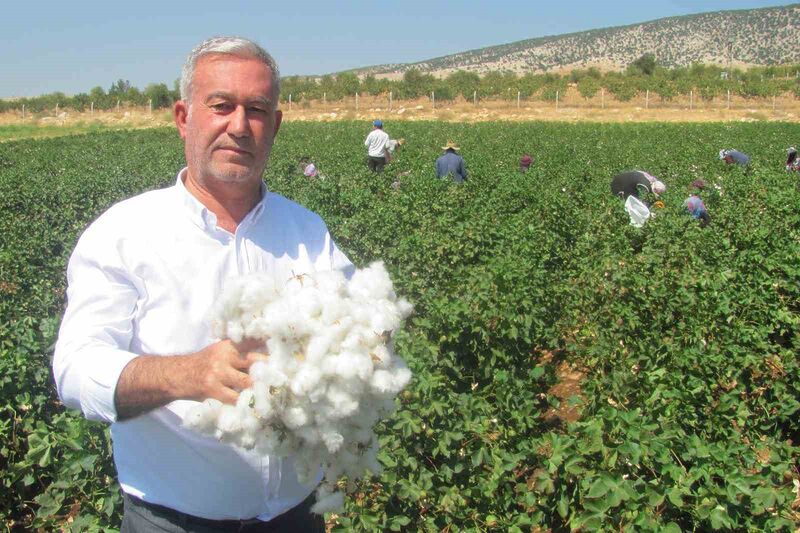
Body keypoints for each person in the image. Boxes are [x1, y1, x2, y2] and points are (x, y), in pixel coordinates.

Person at [53, 37, 353, 532]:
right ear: (182, 117)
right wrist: (188, 374)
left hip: (295, 517)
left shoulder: (307, 231)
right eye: (221, 106)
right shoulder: (124, 234)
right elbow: (76, 370)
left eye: (257, 109)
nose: (239, 126)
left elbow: (353, 327)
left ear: (274, 125)